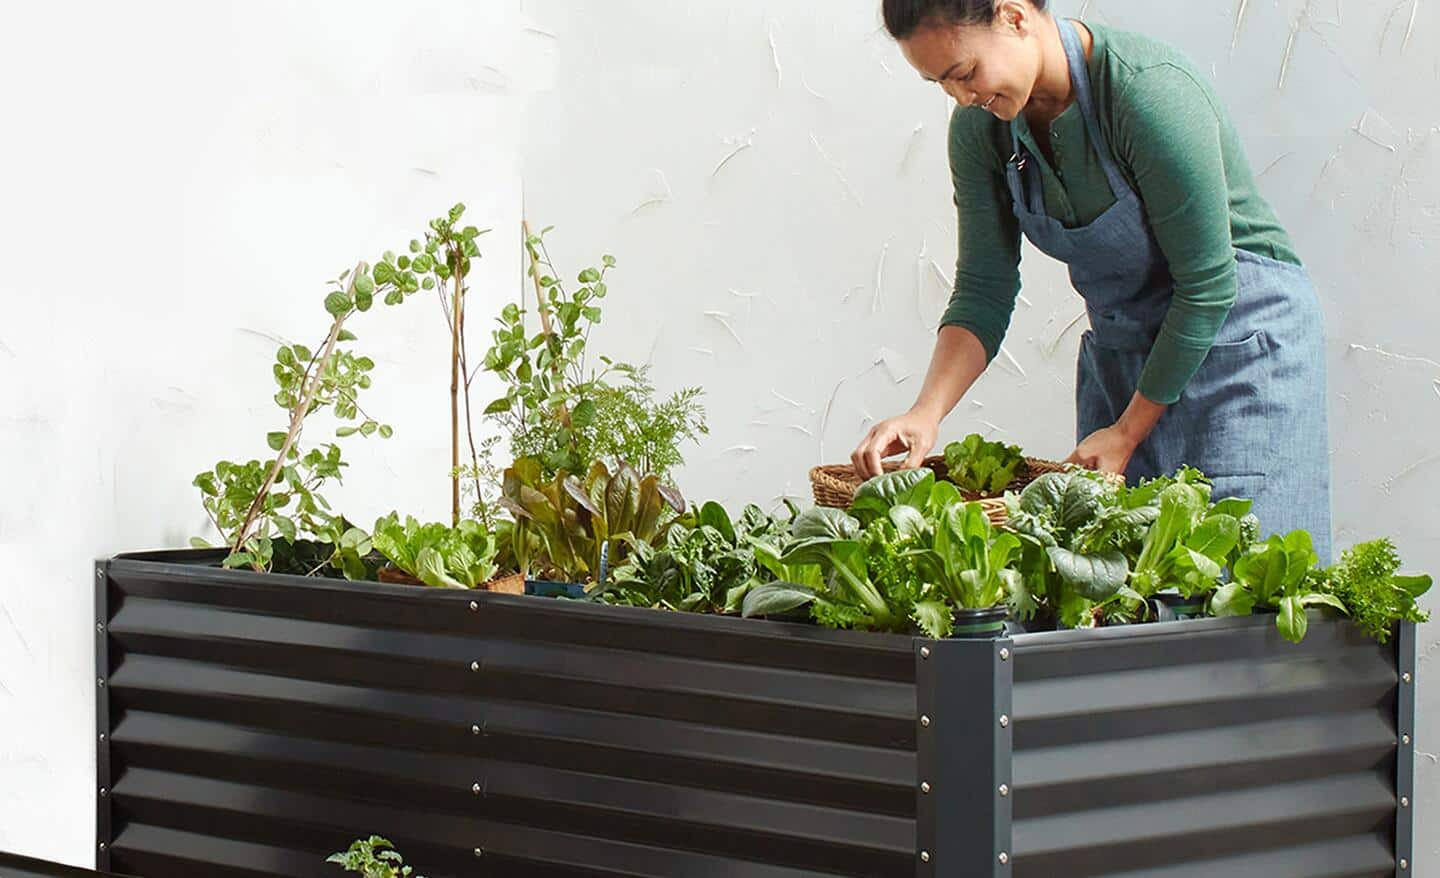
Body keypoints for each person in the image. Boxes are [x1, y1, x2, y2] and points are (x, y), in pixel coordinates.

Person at [851, 0, 1332, 561]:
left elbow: (1206, 286)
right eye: (940, 84)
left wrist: (1126, 432)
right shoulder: (982, 129)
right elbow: (984, 289)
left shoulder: (1147, 92)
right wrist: (924, 414)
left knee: (1244, 594)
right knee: (1124, 599)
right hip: (1124, 360)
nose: (961, 97)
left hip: (1237, 350)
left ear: (1012, 15)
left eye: (965, 73)